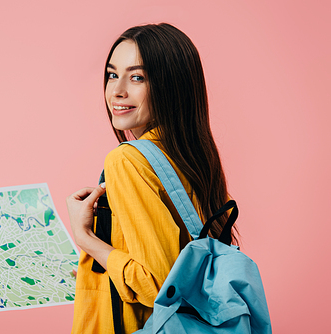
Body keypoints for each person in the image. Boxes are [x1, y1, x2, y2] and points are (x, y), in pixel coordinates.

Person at [66, 23, 236, 334]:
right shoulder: (193, 158)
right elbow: (181, 264)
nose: (117, 91)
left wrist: (86, 239)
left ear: (171, 86)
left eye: (137, 77)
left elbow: (160, 285)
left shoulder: (128, 159)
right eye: (112, 74)